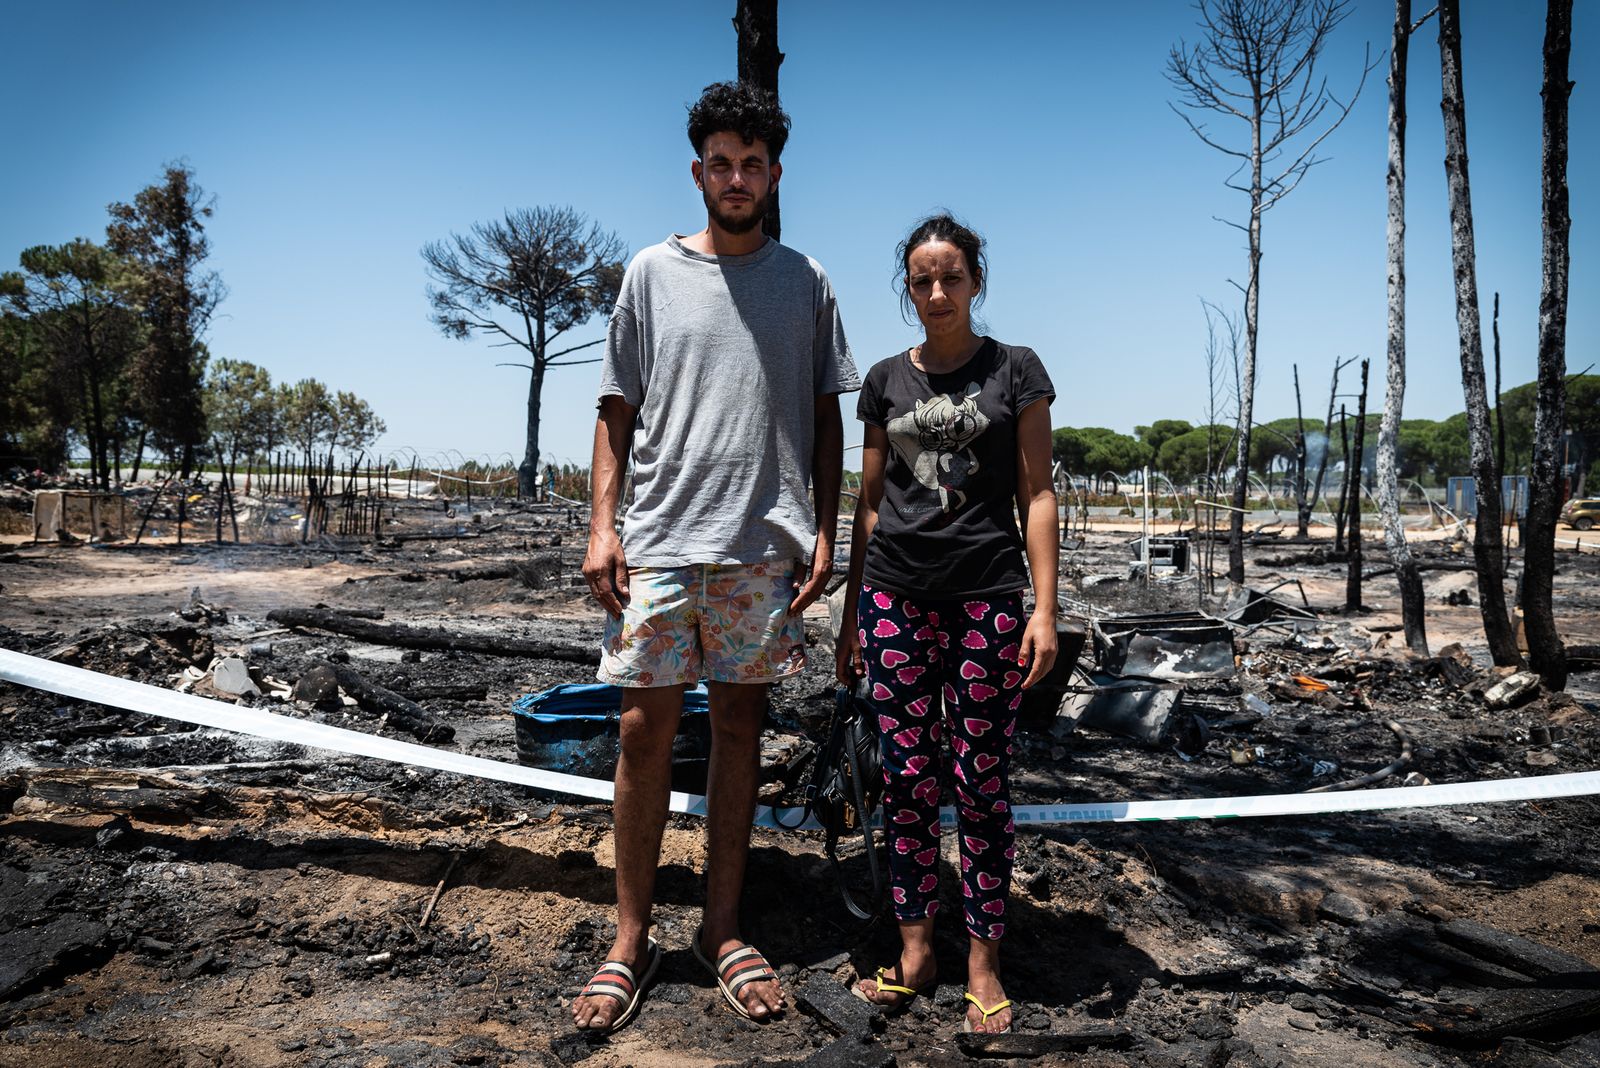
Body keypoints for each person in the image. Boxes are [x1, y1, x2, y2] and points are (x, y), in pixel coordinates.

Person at [572, 80, 859, 1034]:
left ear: (775, 176)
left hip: (758, 550)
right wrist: (602, 524)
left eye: (754, 165)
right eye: (721, 163)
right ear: (698, 171)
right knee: (641, 735)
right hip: (657, 542)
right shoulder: (650, 274)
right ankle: (630, 938)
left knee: (741, 734)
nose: (737, 178)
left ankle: (722, 930)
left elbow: (827, 415)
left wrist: (825, 524)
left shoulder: (806, 282)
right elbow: (615, 408)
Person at [838, 214, 1057, 1035]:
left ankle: (984, 961)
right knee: (903, 778)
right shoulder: (886, 381)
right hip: (893, 594)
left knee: (981, 783)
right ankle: (917, 951)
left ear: (976, 282)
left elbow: (1037, 494)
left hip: (987, 601)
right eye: (921, 280)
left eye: (951, 278)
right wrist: (853, 618)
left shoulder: (1016, 370)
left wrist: (1045, 607)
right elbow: (867, 508)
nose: (936, 293)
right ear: (908, 287)